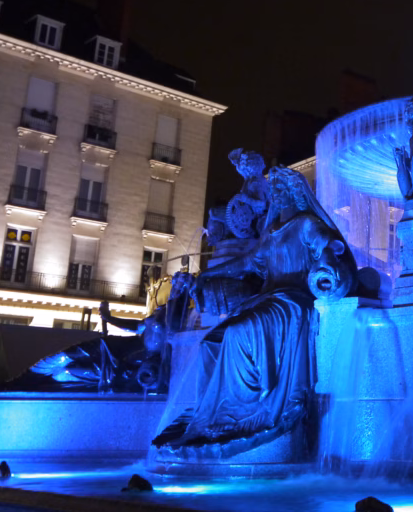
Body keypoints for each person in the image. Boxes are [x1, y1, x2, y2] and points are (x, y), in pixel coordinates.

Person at [152, 168, 357, 456]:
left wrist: (325, 261)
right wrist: (205, 277)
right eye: (274, 191)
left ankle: (247, 409)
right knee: (210, 342)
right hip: (266, 299)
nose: (275, 195)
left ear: (295, 194)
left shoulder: (306, 225)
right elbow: (245, 263)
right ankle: (214, 412)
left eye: (281, 191)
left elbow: (330, 244)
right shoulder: (270, 235)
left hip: (291, 302)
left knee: (237, 332)